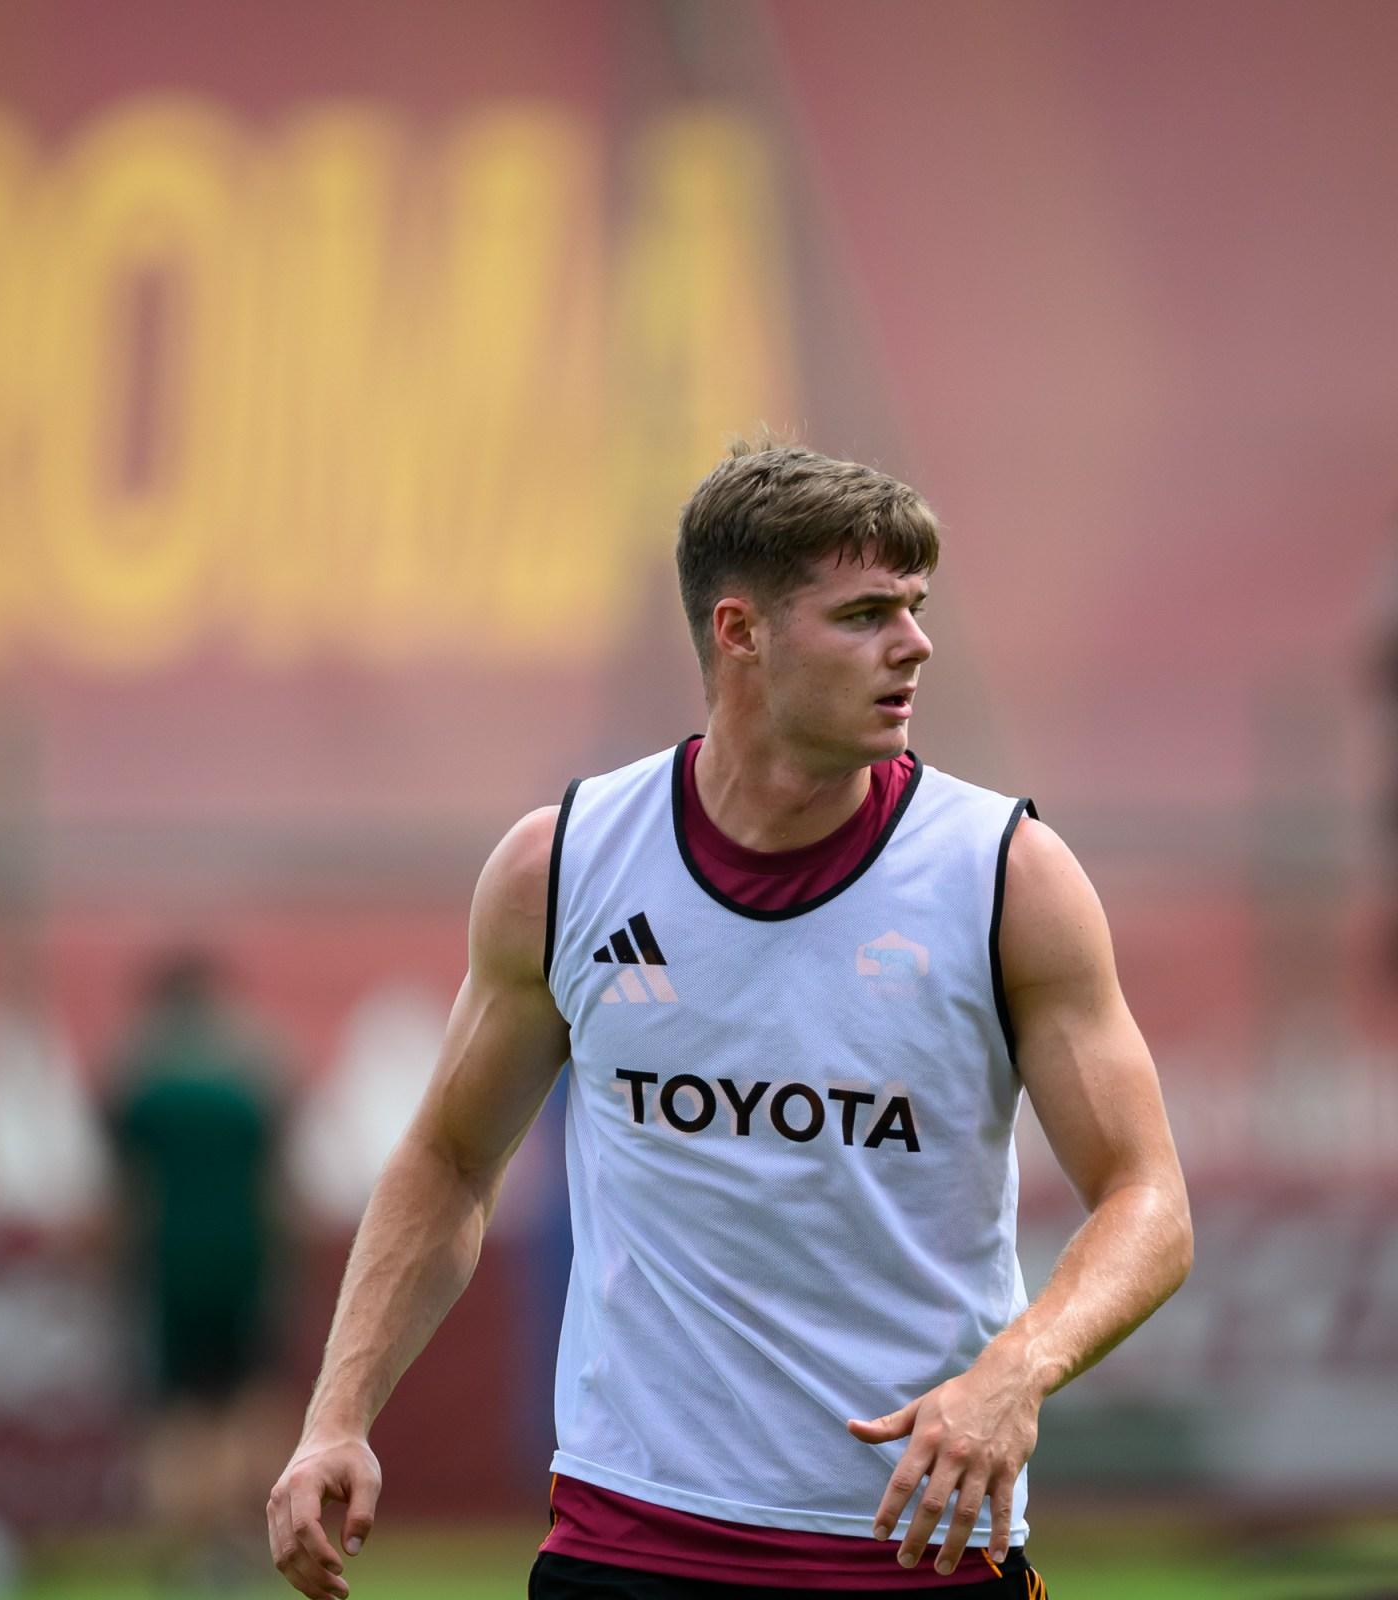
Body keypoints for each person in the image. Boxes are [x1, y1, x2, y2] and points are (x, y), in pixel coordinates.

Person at [266, 443, 1192, 1598]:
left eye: (914, 607)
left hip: (918, 1550)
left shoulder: (1007, 877)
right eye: (864, 615)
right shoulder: (566, 867)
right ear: (740, 632)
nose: (914, 644)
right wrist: (336, 1415)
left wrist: (1019, 1368)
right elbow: (451, 1159)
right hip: (628, 1543)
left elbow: (1150, 1200)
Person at [110, 950, 292, 1592]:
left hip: (169, 1263)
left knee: (177, 1411)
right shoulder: (252, 1072)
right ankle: (251, 1538)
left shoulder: (140, 1078)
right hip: (243, 1260)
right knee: (247, 1399)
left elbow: (122, 1189)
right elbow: (280, 1180)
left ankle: (187, 1550)